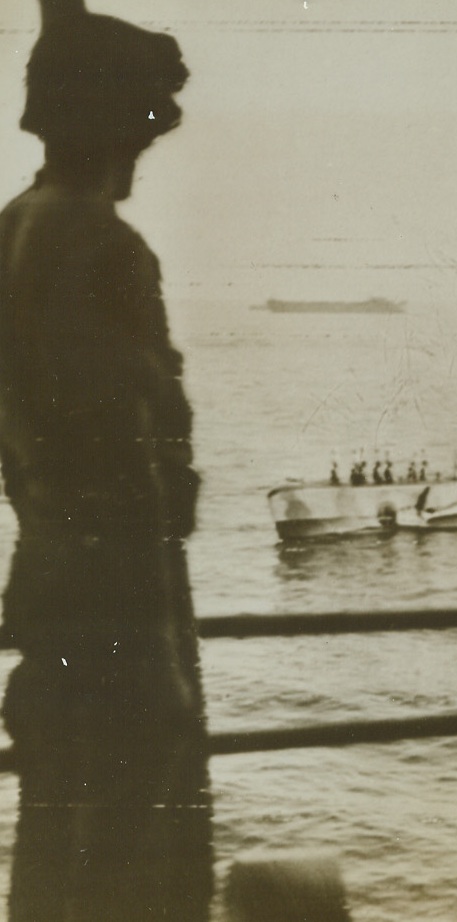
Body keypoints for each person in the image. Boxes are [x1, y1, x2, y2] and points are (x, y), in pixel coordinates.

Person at [0, 3, 213, 919]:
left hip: (45, 594)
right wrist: (158, 664)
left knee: (54, 847)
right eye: (140, 126)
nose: (143, 151)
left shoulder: (10, 230)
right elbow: (134, 466)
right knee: (137, 864)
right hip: (124, 614)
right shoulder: (109, 250)